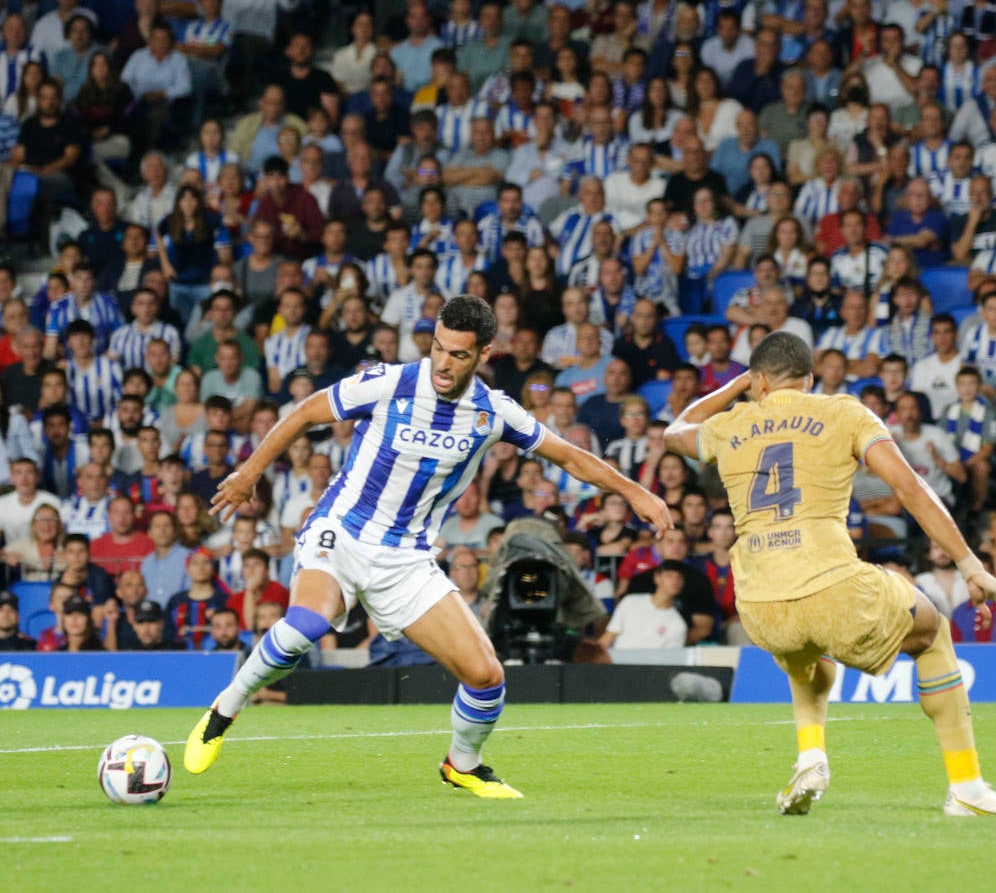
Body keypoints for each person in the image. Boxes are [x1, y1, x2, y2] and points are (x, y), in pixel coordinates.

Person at [184, 296, 671, 798]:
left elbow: (568, 456)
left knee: (486, 676)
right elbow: (306, 412)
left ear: (483, 354)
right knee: (307, 622)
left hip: (406, 559)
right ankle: (226, 707)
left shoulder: (492, 412)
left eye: (458, 354)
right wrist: (249, 473)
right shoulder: (390, 382)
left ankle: (463, 764)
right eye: (438, 348)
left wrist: (634, 491)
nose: (442, 362)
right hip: (342, 533)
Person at [662, 330, 996, 817]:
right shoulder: (843, 411)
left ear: (760, 381)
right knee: (932, 632)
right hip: (830, 584)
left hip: (758, 602)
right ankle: (967, 788)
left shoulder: (733, 423)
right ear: (810, 378)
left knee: (806, 655)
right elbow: (909, 487)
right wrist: (969, 565)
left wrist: (738, 387)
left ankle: (810, 757)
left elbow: (675, 429)